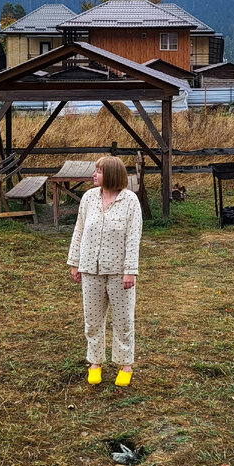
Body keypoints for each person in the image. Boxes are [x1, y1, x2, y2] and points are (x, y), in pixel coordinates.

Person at [67, 155, 143, 387]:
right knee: (92, 320)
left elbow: (133, 238)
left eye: (98, 171)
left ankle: (125, 365)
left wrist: (130, 270)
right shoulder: (88, 198)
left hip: (120, 272)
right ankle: (95, 363)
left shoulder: (130, 201)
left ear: (110, 174)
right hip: (90, 269)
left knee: (122, 320)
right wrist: (74, 262)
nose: (94, 174)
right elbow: (79, 230)